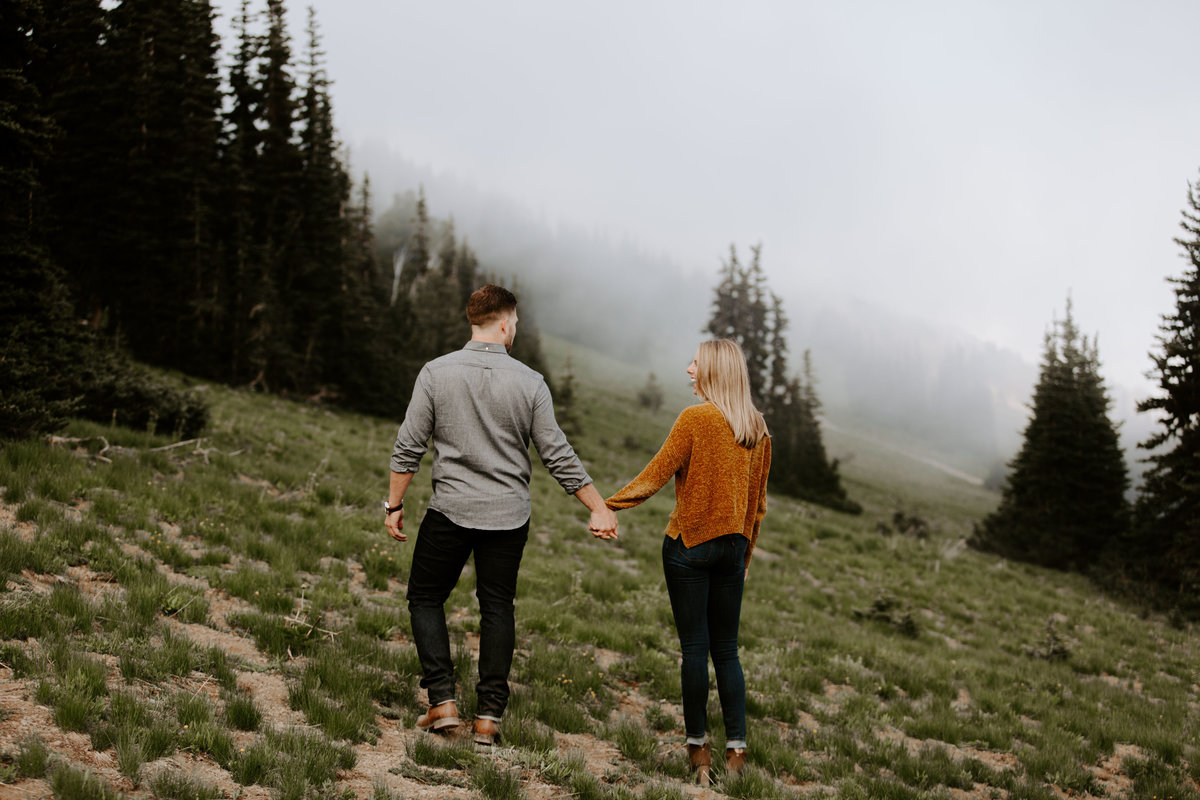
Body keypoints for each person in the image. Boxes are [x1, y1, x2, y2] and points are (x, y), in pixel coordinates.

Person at [385, 284, 618, 746]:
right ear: (506, 322)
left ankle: (442, 700)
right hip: (508, 517)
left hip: (450, 509)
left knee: (425, 599)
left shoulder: (436, 372)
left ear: (474, 320)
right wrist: (599, 507)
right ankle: (489, 717)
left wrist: (394, 505)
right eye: (516, 323)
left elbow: (408, 447)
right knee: (496, 608)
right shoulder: (530, 382)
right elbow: (557, 454)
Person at [605, 339, 771, 785]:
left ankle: (698, 750)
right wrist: (746, 556)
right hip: (733, 549)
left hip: (689, 546)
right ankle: (736, 751)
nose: (688, 370)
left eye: (695, 363)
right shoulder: (756, 428)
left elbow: (656, 473)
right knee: (728, 651)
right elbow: (757, 506)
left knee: (695, 650)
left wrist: (608, 506)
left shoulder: (694, 419)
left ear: (714, 370)